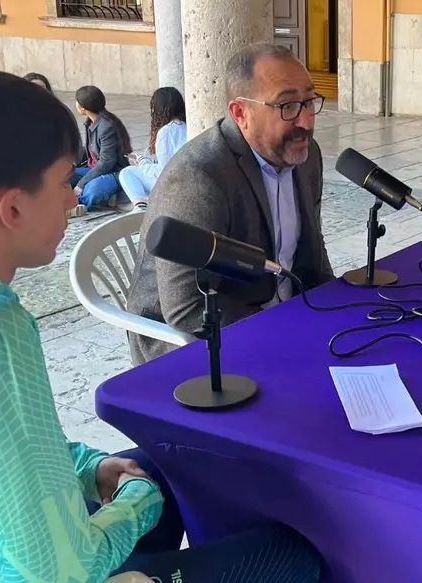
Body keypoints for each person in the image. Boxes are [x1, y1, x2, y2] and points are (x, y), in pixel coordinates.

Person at [0, 62, 323, 582]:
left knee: (159, 467)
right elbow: (55, 570)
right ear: (12, 208)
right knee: (288, 556)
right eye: (66, 180)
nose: (74, 197)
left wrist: (88, 471)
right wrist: (136, 505)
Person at [127, 43, 335, 365]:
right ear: (241, 113)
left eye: (309, 101)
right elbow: (186, 309)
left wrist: (338, 312)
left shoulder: (308, 156)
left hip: (282, 320)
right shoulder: (199, 176)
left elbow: (312, 255)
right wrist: (279, 333)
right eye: (288, 106)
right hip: (191, 344)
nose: (306, 121)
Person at [119, 87, 188, 211]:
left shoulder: (166, 132)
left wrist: (142, 162)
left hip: (173, 184)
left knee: (127, 173)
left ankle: (140, 207)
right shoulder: (188, 125)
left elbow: (163, 171)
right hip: (185, 180)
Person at [73, 85, 131, 211]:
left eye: (77, 101)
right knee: (65, 176)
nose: (75, 104)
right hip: (93, 169)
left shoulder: (106, 126)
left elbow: (107, 162)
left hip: (113, 172)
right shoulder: (90, 122)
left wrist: (81, 184)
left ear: (83, 106)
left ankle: (77, 204)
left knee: (92, 190)